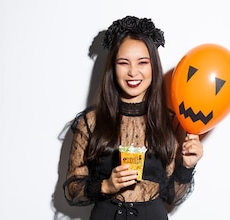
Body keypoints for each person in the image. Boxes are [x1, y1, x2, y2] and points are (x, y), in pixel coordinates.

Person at [63, 15, 204, 220]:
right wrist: (106, 185)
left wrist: (187, 166)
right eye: (123, 63)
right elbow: (72, 190)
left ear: (153, 66)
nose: (133, 72)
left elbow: (172, 196)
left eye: (142, 62)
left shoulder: (170, 121)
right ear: (113, 67)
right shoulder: (90, 122)